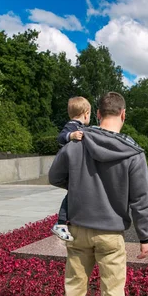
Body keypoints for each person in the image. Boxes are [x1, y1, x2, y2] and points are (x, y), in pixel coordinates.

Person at [49, 92, 148, 296]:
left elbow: (54, 177)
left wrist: (79, 183)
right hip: (111, 236)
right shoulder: (133, 153)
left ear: (96, 115)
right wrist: (145, 237)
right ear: (123, 114)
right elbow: (140, 200)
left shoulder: (76, 143)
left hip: (78, 231)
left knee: (73, 295)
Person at [51, 97, 91, 242]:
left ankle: (70, 220)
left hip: (75, 168)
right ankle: (61, 223)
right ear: (86, 113)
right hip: (70, 169)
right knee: (72, 194)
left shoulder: (82, 127)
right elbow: (61, 138)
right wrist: (71, 135)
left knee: (76, 194)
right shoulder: (72, 125)